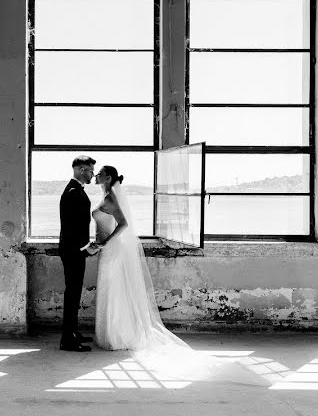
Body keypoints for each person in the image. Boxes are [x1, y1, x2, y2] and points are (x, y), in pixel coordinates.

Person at [90, 165, 267, 385]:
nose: (95, 176)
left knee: (116, 290)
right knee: (112, 289)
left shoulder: (111, 198)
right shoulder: (107, 195)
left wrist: (106, 241)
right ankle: (112, 332)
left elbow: (123, 224)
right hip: (107, 249)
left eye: (98, 174)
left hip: (112, 250)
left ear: (107, 177)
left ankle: (119, 335)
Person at [58, 155, 96, 352]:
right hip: (73, 252)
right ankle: (68, 339)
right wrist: (85, 248)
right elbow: (72, 228)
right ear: (81, 170)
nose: (92, 175)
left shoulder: (73, 190)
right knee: (72, 293)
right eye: (90, 171)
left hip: (73, 250)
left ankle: (72, 331)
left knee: (74, 292)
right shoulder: (73, 192)